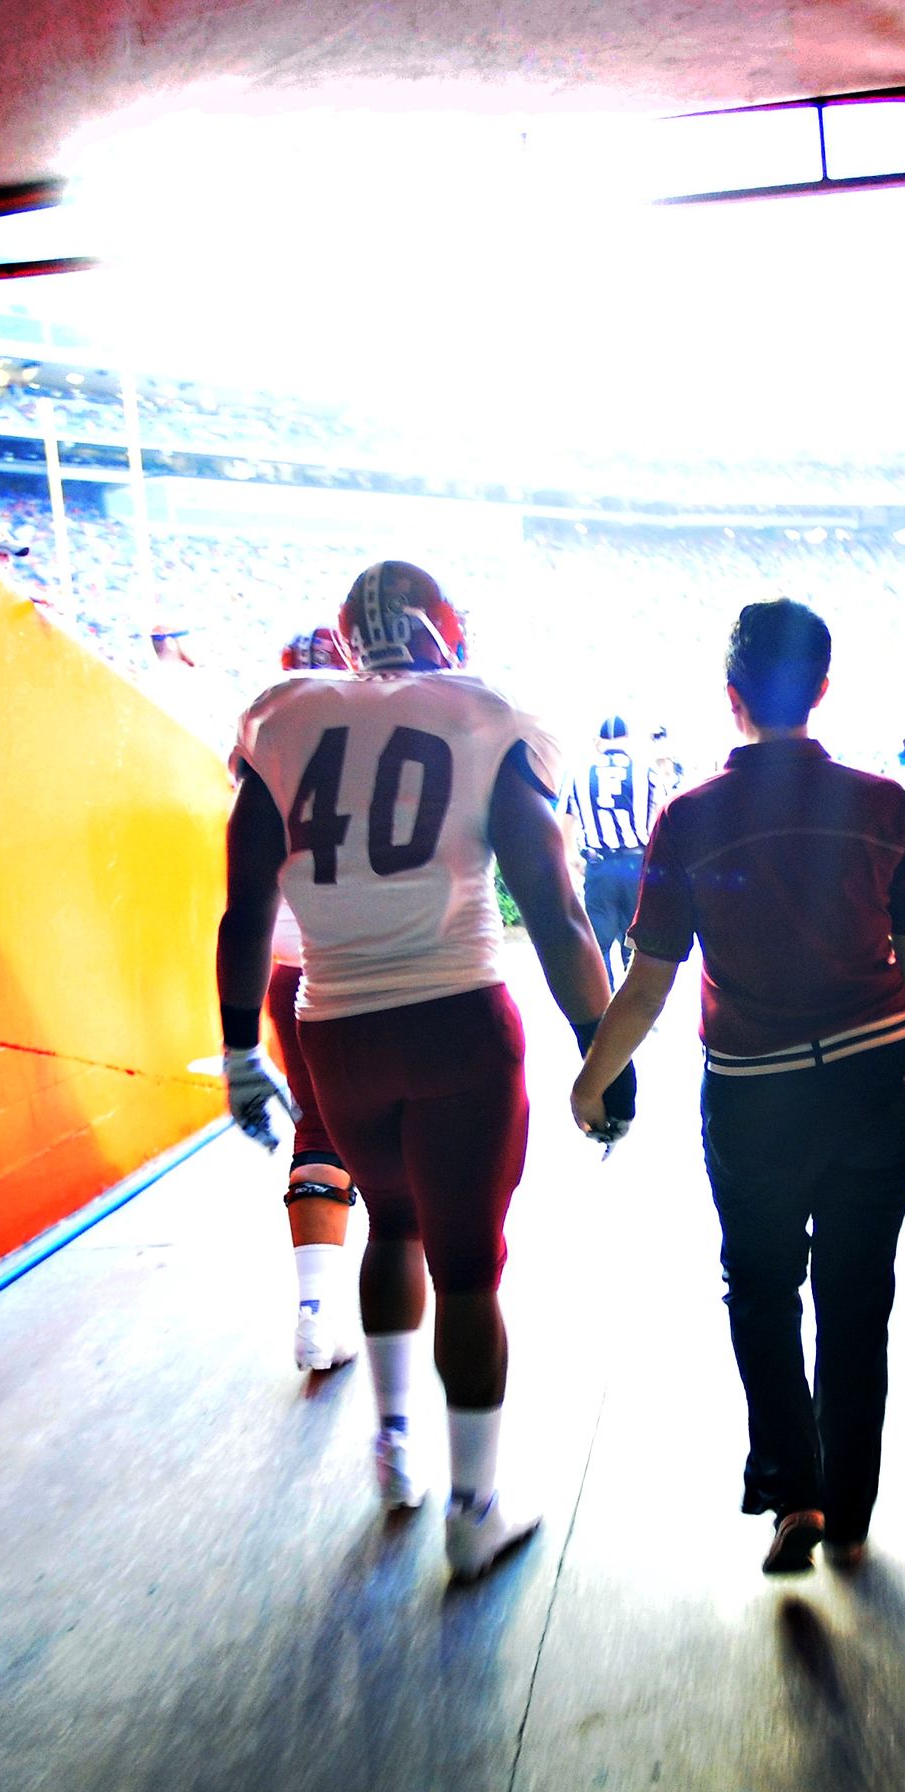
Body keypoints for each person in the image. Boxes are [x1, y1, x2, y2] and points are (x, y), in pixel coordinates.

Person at [218, 560, 632, 1581]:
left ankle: (394, 1450)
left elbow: (244, 907)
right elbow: (553, 900)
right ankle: (474, 1506)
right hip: (456, 1020)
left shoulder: (282, 714)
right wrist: (601, 1046)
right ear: (450, 627)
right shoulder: (486, 713)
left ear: (349, 638)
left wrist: (236, 1048)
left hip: (336, 1028)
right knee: (469, 1269)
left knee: (391, 1225)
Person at [571, 602, 905, 1576]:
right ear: (822, 689)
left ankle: (797, 1495)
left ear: (731, 698)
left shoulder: (691, 819)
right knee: (860, 1293)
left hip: (755, 1096)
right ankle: (853, 1506)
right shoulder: (881, 808)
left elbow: (649, 982)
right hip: (881, 1079)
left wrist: (593, 1077)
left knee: (763, 1288)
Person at [259, 625, 365, 1376]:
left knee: (317, 1131)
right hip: (369, 960)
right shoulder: (384, 736)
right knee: (402, 1140)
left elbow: (246, 902)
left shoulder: (262, 752)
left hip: (290, 962)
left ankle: (313, 1309)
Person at [566, 715, 659, 983]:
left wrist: (574, 860)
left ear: (599, 741)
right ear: (627, 739)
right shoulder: (645, 771)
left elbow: (565, 824)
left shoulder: (579, 773)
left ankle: (606, 1006)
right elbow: (659, 822)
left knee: (600, 945)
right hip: (636, 864)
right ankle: (632, 1009)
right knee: (637, 943)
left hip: (600, 864)